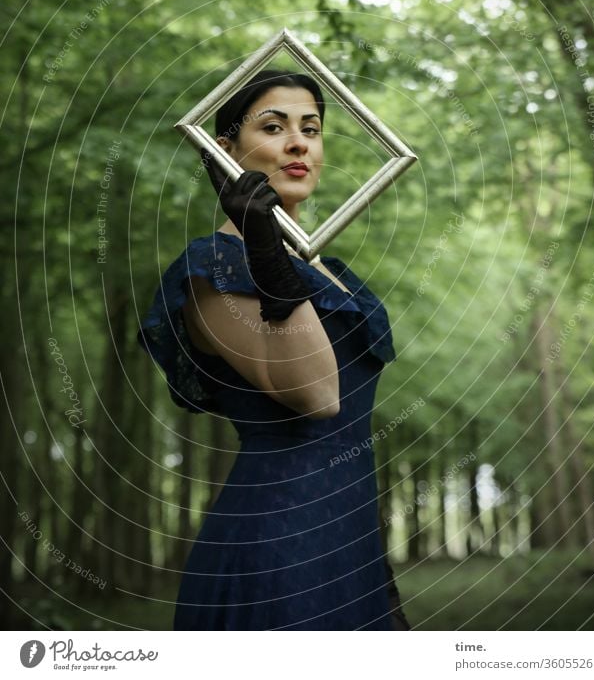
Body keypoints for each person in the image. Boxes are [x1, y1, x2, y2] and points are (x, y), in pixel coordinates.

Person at [137, 69, 409, 630]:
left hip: (351, 540)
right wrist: (262, 245)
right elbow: (317, 395)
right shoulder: (212, 268)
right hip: (278, 549)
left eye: (311, 128)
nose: (298, 143)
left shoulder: (332, 273)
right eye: (273, 126)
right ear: (225, 147)